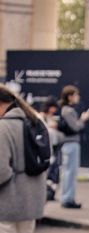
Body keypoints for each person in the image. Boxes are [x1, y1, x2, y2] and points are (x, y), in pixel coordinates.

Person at [0, 84, 46, 233]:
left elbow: (2, 171)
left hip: (8, 203)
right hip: (32, 200)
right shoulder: (35, 122)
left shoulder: (3, 127)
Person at [59, 85, 89, 209]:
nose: (78, 97)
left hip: (69, 144)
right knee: (70, 172)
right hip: (71, 143)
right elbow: (76, 127)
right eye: (76, 95)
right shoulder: (68, 111)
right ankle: (68, 198)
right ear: (70, 96)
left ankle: (67, 197)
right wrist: (83, 119)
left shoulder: (65, 110)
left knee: (69, 171)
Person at [40, 96, 64, 201]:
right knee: (48, 172)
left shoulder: (52, 117)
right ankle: (46, 193)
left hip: (55, 146)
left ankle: (51, 193)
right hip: (46, 147)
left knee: (55, 172)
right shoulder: (41, 117)